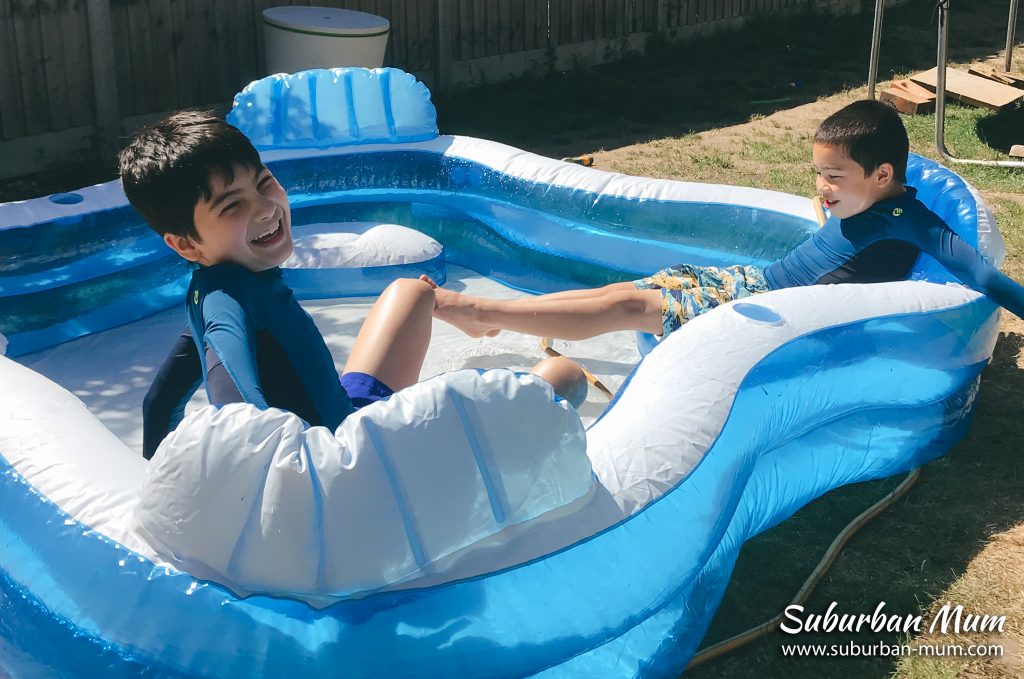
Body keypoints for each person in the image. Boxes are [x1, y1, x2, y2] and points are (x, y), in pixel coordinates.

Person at [121, 111, 587, 459]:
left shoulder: (211, 287)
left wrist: (149, 471)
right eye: (231, 206)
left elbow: (158, 402)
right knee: (562, 379)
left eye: (264, 182)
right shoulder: (227, 299)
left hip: (349, 411)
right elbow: (240, 417)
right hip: (358, 461)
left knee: (413, 291)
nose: (264, 207)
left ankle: (467, 317)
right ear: (186, 244)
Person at [424, 99, 1024, 341]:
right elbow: (836, 231)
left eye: (834, 177)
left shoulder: (910, 219)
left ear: (885, 175)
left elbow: (983, 276)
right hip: (754, 281)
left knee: (629, 308)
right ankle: (485, 319)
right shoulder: (861, 198)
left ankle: (478, 312)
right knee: (625, 289)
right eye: (819, 173)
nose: (821, 187)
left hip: (778, 314)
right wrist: (832, 200)